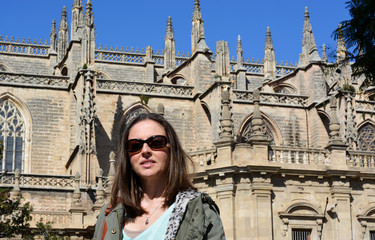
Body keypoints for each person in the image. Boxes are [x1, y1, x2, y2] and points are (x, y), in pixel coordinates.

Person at [93, 113, 225, 240]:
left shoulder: (200, 211)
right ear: (127, 156)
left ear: (171, 149)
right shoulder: (110, 214)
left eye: (156, 142)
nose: (145, 151)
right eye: (135, 146)